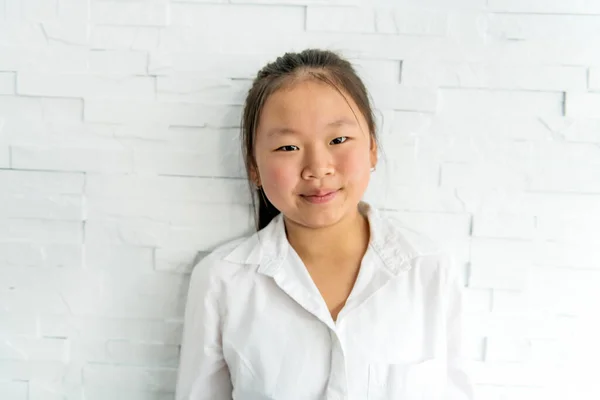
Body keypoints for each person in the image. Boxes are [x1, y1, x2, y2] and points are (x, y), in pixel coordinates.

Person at [175, 48, 474, 399]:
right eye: (288, 147)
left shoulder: (429, 269)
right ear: (254, 166)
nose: (317, 167)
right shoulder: (221, 281)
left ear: (373, 147)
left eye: (338, 140)